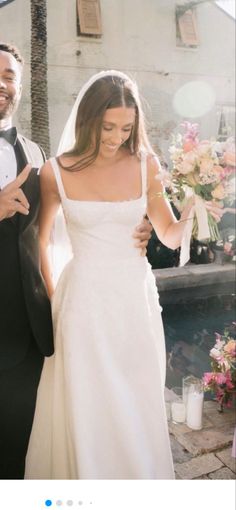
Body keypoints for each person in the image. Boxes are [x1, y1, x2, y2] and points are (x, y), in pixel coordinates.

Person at [25, 70, 207, 480]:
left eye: (126, 128)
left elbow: (168, 231)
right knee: (89, 404)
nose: (116, 136)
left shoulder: (147, 165)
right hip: (82, 305)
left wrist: (196, 208)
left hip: (134, 303)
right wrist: (54, 308)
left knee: (136, 400)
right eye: (108, 127)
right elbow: (40, 246)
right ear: (89, 119)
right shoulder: (54, 172)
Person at [0, 42, 54, 479]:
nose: (1, 84)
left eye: (8, 76)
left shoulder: (37, 154)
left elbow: (50, 233)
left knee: (17, 454)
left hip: (27, 335)